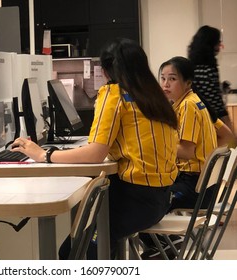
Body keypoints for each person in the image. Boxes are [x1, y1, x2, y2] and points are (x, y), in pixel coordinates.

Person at [11, 38, 179, 259]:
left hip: (136, 201)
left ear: (108, 72)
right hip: (160, 199)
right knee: (89, 235)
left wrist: (44, 154)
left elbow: (95, 153)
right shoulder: (156, 97)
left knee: (72, 253)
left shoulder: (114, 93)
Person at [140, 56, 235, 260]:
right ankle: (167, 246)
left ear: (188, 83)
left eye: (172, 79)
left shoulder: (187, 107)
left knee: (142, 204)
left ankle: (165, 249)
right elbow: (227, 136)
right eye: (163, 78)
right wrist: (207, 154)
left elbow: (186, 151)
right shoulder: (199, 103)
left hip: (192, 187)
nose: (165, 84)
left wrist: (153, 147)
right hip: (205, 187)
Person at [188, 25, 234, 132]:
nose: (219, 46)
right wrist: (227, 123)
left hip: (195, 117)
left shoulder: (190, 66)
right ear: (210, 44)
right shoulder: (209, 68)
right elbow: (214, 100)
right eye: (217, 42)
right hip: (211, 119)